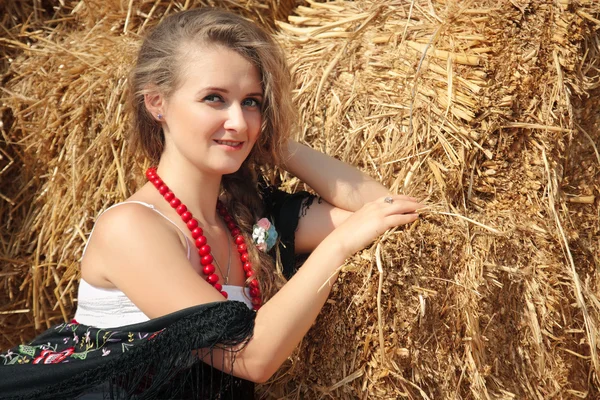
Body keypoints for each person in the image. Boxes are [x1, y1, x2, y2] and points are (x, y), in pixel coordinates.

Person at [0, 8, 422, 399]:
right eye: (214, 99)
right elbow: (250, 357)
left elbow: (386, 208)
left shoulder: (245, 218)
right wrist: (339, 246)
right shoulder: (132, 228)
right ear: (157, 103)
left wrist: (276, 142)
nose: (237, 121)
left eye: (252, 102)